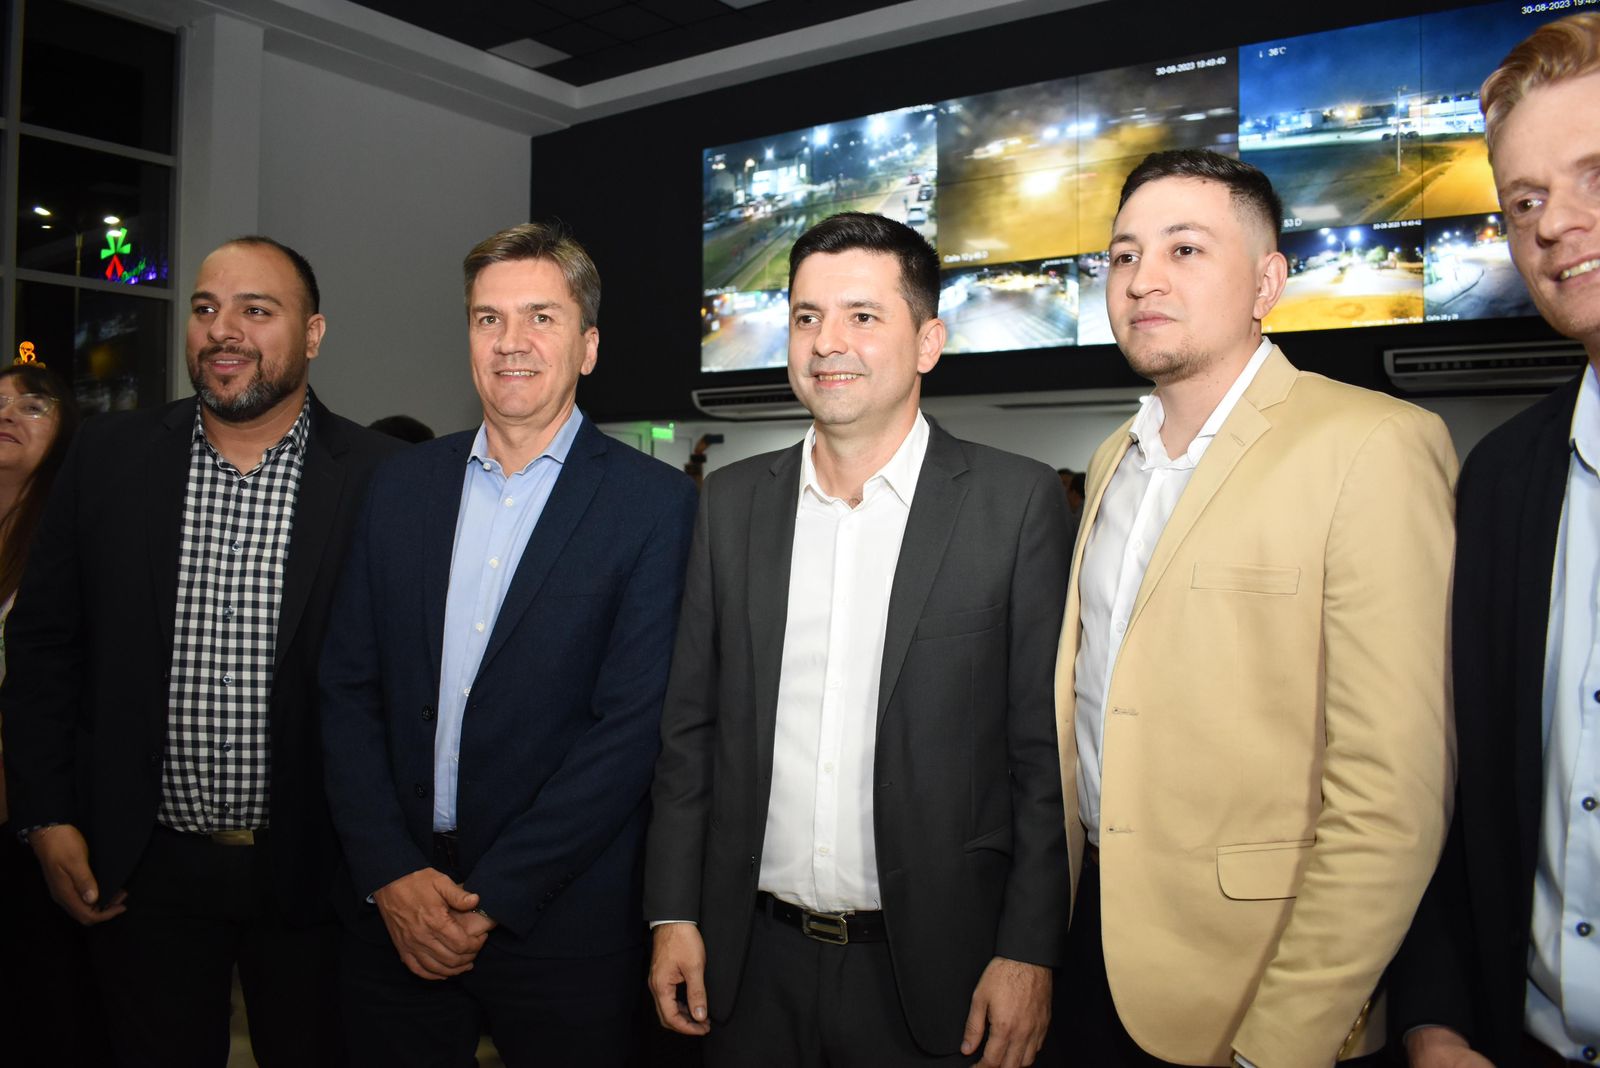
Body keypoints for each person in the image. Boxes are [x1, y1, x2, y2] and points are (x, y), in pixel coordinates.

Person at [1053, 150, 1456, 1068]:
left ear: (1267, 283)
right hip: (1094, 952)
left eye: (1185, 249)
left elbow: (1393, 796)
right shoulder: (1115, 457)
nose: (1142, 280)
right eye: (1123, 255)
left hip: (1258, 986)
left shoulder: (1374, 445)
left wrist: (1284, 1041)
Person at [645, 211, 1071, 1067]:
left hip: (938, 972)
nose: (827, 342)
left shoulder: (1015, 504)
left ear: (928, 342)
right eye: (807, 317)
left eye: (863, 316)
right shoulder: (730, 505)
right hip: (749, 963)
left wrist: (1030, 949)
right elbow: (690, 733)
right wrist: (673, 911)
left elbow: (1043, 757)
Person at [0, 236, 400, 1067]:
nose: (224, 330)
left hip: (318, 875)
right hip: (140, 871)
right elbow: (43, 649)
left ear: (313, 334)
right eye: (206, 308)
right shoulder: (108, 458)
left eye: (257, 310)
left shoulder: (384, 478)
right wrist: (46, 815)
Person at [320, 221, 697, 1068]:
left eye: (541, 318)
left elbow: (629, 732)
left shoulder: (656, 508)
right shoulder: (399, 486)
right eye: (488, 319)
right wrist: (390, 871)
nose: (510, 342)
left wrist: (494, 896)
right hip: (395, 909)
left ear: (588, 347)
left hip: (563, 926)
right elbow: (347, 688)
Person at [1387, 14, 1600, 1067]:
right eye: (1525, 200)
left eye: (1595, 175)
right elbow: (1459, 787)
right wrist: (1433, 1017)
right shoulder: (1505, 479)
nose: (1557, 224)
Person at [0, 362, 103, 1066]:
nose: (8, 413)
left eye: (32, 405)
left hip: (35, 819)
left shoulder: (74, 540)